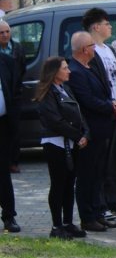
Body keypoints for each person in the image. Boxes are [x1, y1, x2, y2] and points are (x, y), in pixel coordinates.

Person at [68, 32, 116, 233]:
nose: (95, 49)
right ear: (84, 49)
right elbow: (87, 100)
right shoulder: (76, 72)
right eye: (92, 46)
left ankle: (99, 212)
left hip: (102, 129)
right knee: (87, 176)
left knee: (99, 174)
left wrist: (111, 103)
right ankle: (87, 217)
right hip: (90, 132)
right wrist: (110, 106)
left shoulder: (89, 67)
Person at [84, 8, 116, 219]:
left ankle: (114, 201)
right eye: (106, 24)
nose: (110, 27)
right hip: (102, 111)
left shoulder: (109, 49)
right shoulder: (91, 51)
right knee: (100, 161)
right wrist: (109, 104)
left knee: (114, 160)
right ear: (96, 27)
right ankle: (101, 203)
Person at [36, 57, 89, 239]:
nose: (69, 71)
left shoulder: (65, 88)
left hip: (71, 143)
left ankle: (68, 222)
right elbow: (55, 120)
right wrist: (77, 135)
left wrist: (85, 133)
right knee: (58, 184)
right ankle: (56, 225)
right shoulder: (47, 93)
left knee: (69, 184)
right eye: (65, 68)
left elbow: (78, 112)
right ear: (54, 72)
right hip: (56, 143)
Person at [0, 21, 25, 173]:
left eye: (7, 32)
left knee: (14, 130)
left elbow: (21, 69)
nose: (5, 35)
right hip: (2, 95)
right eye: (1, 32)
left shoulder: (17, 48)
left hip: (14, 95)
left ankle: (13, 161)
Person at [0, 48, 20, 232]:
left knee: (3, 173)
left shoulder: (7, 61)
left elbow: (15, 90)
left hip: (3, 124)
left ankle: (9, 216)